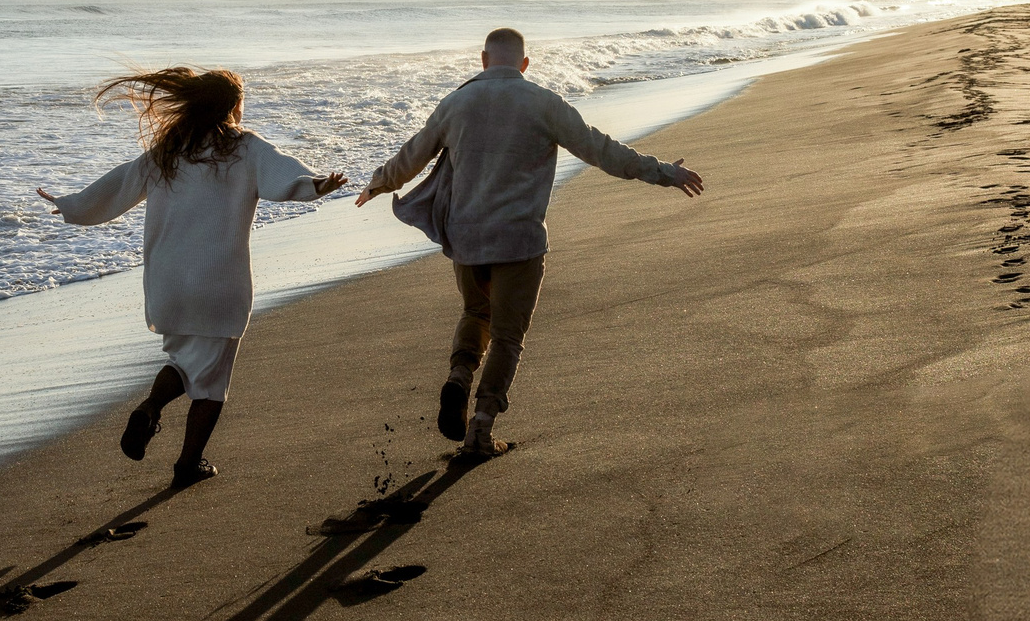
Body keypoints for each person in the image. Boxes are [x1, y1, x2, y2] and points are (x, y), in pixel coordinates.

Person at [357, 27, 702, 454]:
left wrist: (377, 183)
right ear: (524, 64)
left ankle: (458, 378)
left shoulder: (455, 103)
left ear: (483, 60)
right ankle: (480, 432)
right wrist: (664, 173)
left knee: (475, 312)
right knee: (507, 335)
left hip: (466, 238)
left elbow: (412, 155)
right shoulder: (544, 103)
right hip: (519, 240)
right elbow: (603, 151)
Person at [40, 67, 346, 485]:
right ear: (233, 106)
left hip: (169, 284)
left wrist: (71, 206)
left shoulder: (168, 151)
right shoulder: (245, 148)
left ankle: (150, 408)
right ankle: (187, 465)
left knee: (183, 361)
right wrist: (316, 185)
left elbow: (117, 188)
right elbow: (284, 179)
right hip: (218, 283)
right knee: (212, 383)